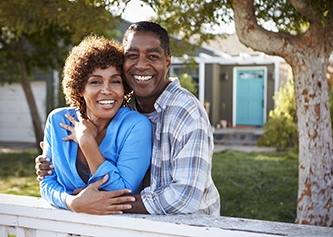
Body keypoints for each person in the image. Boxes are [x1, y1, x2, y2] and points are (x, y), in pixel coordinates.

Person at [36, 21, 221, 216]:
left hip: (192, 227)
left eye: (152, 56)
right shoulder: (127, 106)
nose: (141, 65)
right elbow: (48, 181)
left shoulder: (186, 113)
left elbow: (185, 198)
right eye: (132, 56)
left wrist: (98, 201)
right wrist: (72, 201)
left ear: (167, 62)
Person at [39, 34, 152, 212]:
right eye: (95, 82)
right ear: (79, 88)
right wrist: (72, 202)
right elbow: (46, 182)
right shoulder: (57, 121)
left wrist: (86, 141)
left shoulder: (135, 126)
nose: (106, 90)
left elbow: (122, 192)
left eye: (115, 81)